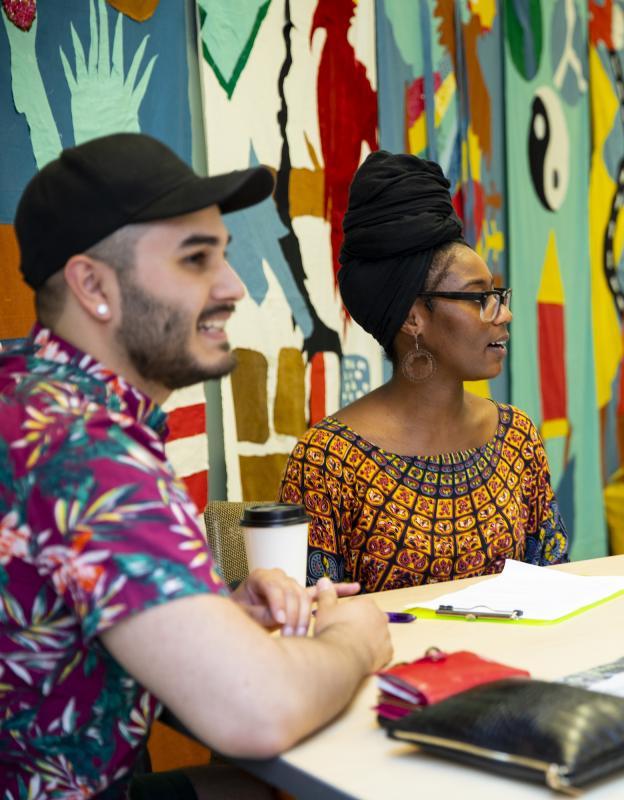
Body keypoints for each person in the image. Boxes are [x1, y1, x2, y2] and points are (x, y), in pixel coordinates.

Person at [0, 133, 392, 800]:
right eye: (194, 259)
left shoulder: (29, 395)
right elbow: (257, 711)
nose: (233, 287)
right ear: (93, 285)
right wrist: (357, 638)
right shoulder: (83, 449)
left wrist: (210, 614)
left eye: (224, 256)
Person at [279, 151, 568, 593]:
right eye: (479, 298)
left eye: (498, 294)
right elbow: (310, 620)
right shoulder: (328, 461)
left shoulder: (517, 438)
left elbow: (555, 586)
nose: (503, 314)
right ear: (415, 317)